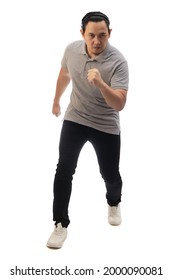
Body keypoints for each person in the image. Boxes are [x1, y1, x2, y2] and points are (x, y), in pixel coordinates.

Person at [47, 11, 129, 249]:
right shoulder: (72, 50)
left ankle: (114, 201)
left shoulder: (118, 62)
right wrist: (56, 100)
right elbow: (65, 73)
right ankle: (60, 224)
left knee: (110, 174)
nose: (96, 41)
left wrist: (101, 83)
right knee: (64, 169)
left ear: (109, 34)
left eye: (102, 36)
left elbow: (120, 104)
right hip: (76, 117)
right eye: (91, 35)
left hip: (105, 124)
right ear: (82, 33)